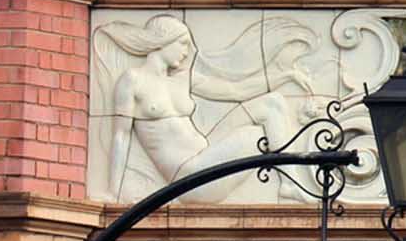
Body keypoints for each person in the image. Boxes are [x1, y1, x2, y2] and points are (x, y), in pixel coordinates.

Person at [94, 14, 318, 201]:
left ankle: (289, 184)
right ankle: (291, 183)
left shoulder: (183, 79)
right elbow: (121, 136)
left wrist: (286, 75)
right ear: (162, 41)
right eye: (182, 44)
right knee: (255, 135)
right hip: (188, 178)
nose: (186, 51)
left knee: (273, 103)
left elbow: (235, 90)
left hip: (207, 157)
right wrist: (114, 192)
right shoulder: (133, 80)